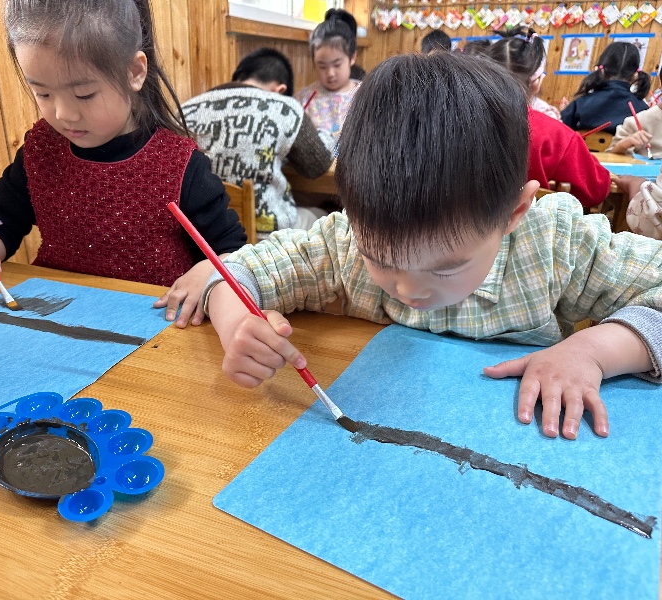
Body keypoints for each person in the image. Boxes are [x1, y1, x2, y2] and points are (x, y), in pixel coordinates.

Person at [203, 53, 662, 442]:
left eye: (446, 268)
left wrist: (592, 351)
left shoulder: (554, 243)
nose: (408, 289)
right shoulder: (344, 242)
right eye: (380, 260)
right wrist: (237, 323)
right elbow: (238, 271)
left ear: (514, 213)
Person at [0, 0, 246, 328]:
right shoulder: (41, 149)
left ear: (134, 72)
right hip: (52, 322)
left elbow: (233, 253)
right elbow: (0, 220)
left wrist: (209, 272)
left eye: (84, 94)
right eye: (43, 94)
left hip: (155, 329)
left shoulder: (179, 164)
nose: (63, 114)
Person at [182, 48, 334, 237]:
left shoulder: (186, 109)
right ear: (280, 90)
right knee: (326, 216)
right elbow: (317, 165)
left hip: (202, 235)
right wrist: (328, 136)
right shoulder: (285, 107)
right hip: (265, 238)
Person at [484, 28, 611, 207]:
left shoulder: (454, 121)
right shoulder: (556, 135)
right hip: (528, 223)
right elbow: (596, 190)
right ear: (536, 82)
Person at [295, 9, 363, 149]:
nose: (330, 73)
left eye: (337, 65)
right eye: (322, 66)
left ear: (352, 58)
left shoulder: (365, 95)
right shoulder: (304, 99)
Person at [561, 42, 650, 134]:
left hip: (583, 144)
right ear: (635, 75)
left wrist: (564, 112)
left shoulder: (579, 104)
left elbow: (560, 133)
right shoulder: (643, 110)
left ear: (601, 70)